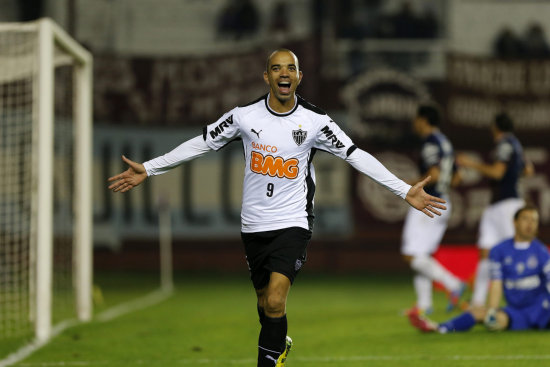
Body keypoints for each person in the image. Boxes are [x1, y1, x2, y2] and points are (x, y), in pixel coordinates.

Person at [108, 49, 446, 367]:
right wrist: (150, 168)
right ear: (266, 77)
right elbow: (202, 142)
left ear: (299, 77)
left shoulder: (315, 121)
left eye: (290, 68)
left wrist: (403, 190)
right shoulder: (243, 117)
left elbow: (355, 155)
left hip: (293, 221)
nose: (284, 73)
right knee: (263, 303)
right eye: (276, 68)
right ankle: (278, 342)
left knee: (274, 300)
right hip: (254, 224)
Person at [408, 205, 550, 333]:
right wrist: (492, 311)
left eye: (534, 220)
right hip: (517, 311)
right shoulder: (499, 250)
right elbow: (496, 283)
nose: (530, 224)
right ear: (515, 222)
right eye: (526, 219)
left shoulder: (542, 252)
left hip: (542, 309)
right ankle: (439, 327)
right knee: (481, 314)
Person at [457, 112, 533, 308]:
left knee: (515, 251)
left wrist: (471, 163)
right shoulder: (515, 144)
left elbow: (497, 172)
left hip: (507, 205)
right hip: (497, 206)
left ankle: (524, 298)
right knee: (485, 252)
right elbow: (528, 170)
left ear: (495, 127)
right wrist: (516, 175)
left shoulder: (505, 144)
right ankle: (478, 301)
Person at [402, 104, 465, 316]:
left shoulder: (429, 142)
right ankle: (424, 304)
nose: (414, 123)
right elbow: (457, 178)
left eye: (416, 119)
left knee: (412, 256)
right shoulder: (445, 142)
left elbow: (434, 174)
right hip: (444, 201)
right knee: (422, 255)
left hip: (428, 200)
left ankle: (454, 284)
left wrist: (406, 185)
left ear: (423, 120)